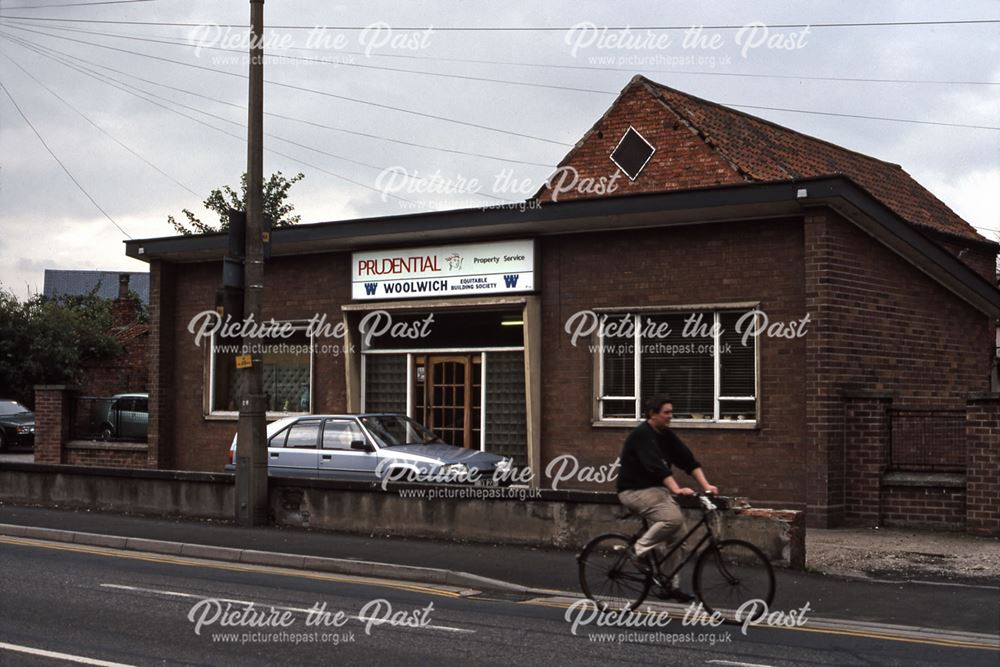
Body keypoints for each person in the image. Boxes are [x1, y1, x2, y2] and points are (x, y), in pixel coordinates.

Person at [617, 395, 719, 602]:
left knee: (679, 535)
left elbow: (688, 460)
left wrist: (706, 485)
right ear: (653, 414)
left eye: (672, 412)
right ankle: (636, 551)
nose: (670, 416)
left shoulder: (666, 435)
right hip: (633, 490)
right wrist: (677, 488)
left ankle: (669, 585)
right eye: (666, 413)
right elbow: (656, 466)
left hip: (655, 490)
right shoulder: (642, 435)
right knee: (672, 519)